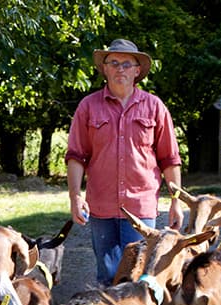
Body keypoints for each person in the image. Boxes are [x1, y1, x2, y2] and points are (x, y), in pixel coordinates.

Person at [65, 38, 182, 285]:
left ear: (137, 71)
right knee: (107, 275)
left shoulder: (154, 107)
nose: (120, 69)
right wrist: (75, 196)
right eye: (114, 63)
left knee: (138, 277)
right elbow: (76, 156)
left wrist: (176, 202)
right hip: (101, 205)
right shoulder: (88, 107)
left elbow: (169, 159)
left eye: (127, 64)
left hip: (140, 207)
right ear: (104, 68)